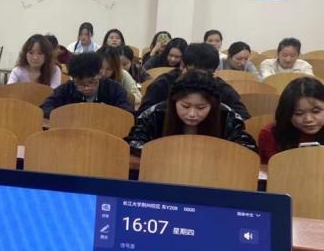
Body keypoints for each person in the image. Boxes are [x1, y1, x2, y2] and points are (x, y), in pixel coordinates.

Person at [127, 70, 256, 153]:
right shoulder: (155, 114)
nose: (192, 114)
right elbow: (133, 146)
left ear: (212, 105)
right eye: (185, 106)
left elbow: (246, 149)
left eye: (201, 108)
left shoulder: (228, 117)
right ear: (174, 101)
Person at [138, 43, 251, 119]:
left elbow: (243, 117)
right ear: (183, 65)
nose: (199, 79)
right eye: (193, 73)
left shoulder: (220, 87)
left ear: (215, 71)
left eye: (206, 74)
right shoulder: (163, 84)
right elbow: (143, 116)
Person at [41, 52, 132, 118]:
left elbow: (128, 113)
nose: (86, 88)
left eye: (91, 82)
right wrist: (65, 114)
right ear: (73, 79)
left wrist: (106, 113)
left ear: (100, 74)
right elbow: (46, 106)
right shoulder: (67, 89)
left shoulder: (114, 89)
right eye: (80, 84)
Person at [257, 77, 324, 163]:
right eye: (299, 113)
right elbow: (268, 168)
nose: (308, 119)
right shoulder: (270, 134)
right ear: (287, 113)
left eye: (316, 111)